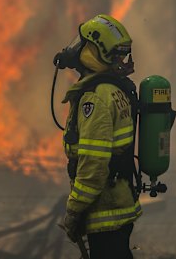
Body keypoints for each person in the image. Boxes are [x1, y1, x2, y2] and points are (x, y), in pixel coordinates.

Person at [55, 14, 141, 259]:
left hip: (105, 212)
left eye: (81, 43)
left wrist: (74, 211)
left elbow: (93, 164)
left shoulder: (95, 97)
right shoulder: (115, 88)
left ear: (95, 50)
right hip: (118, 204)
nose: (75, 49)